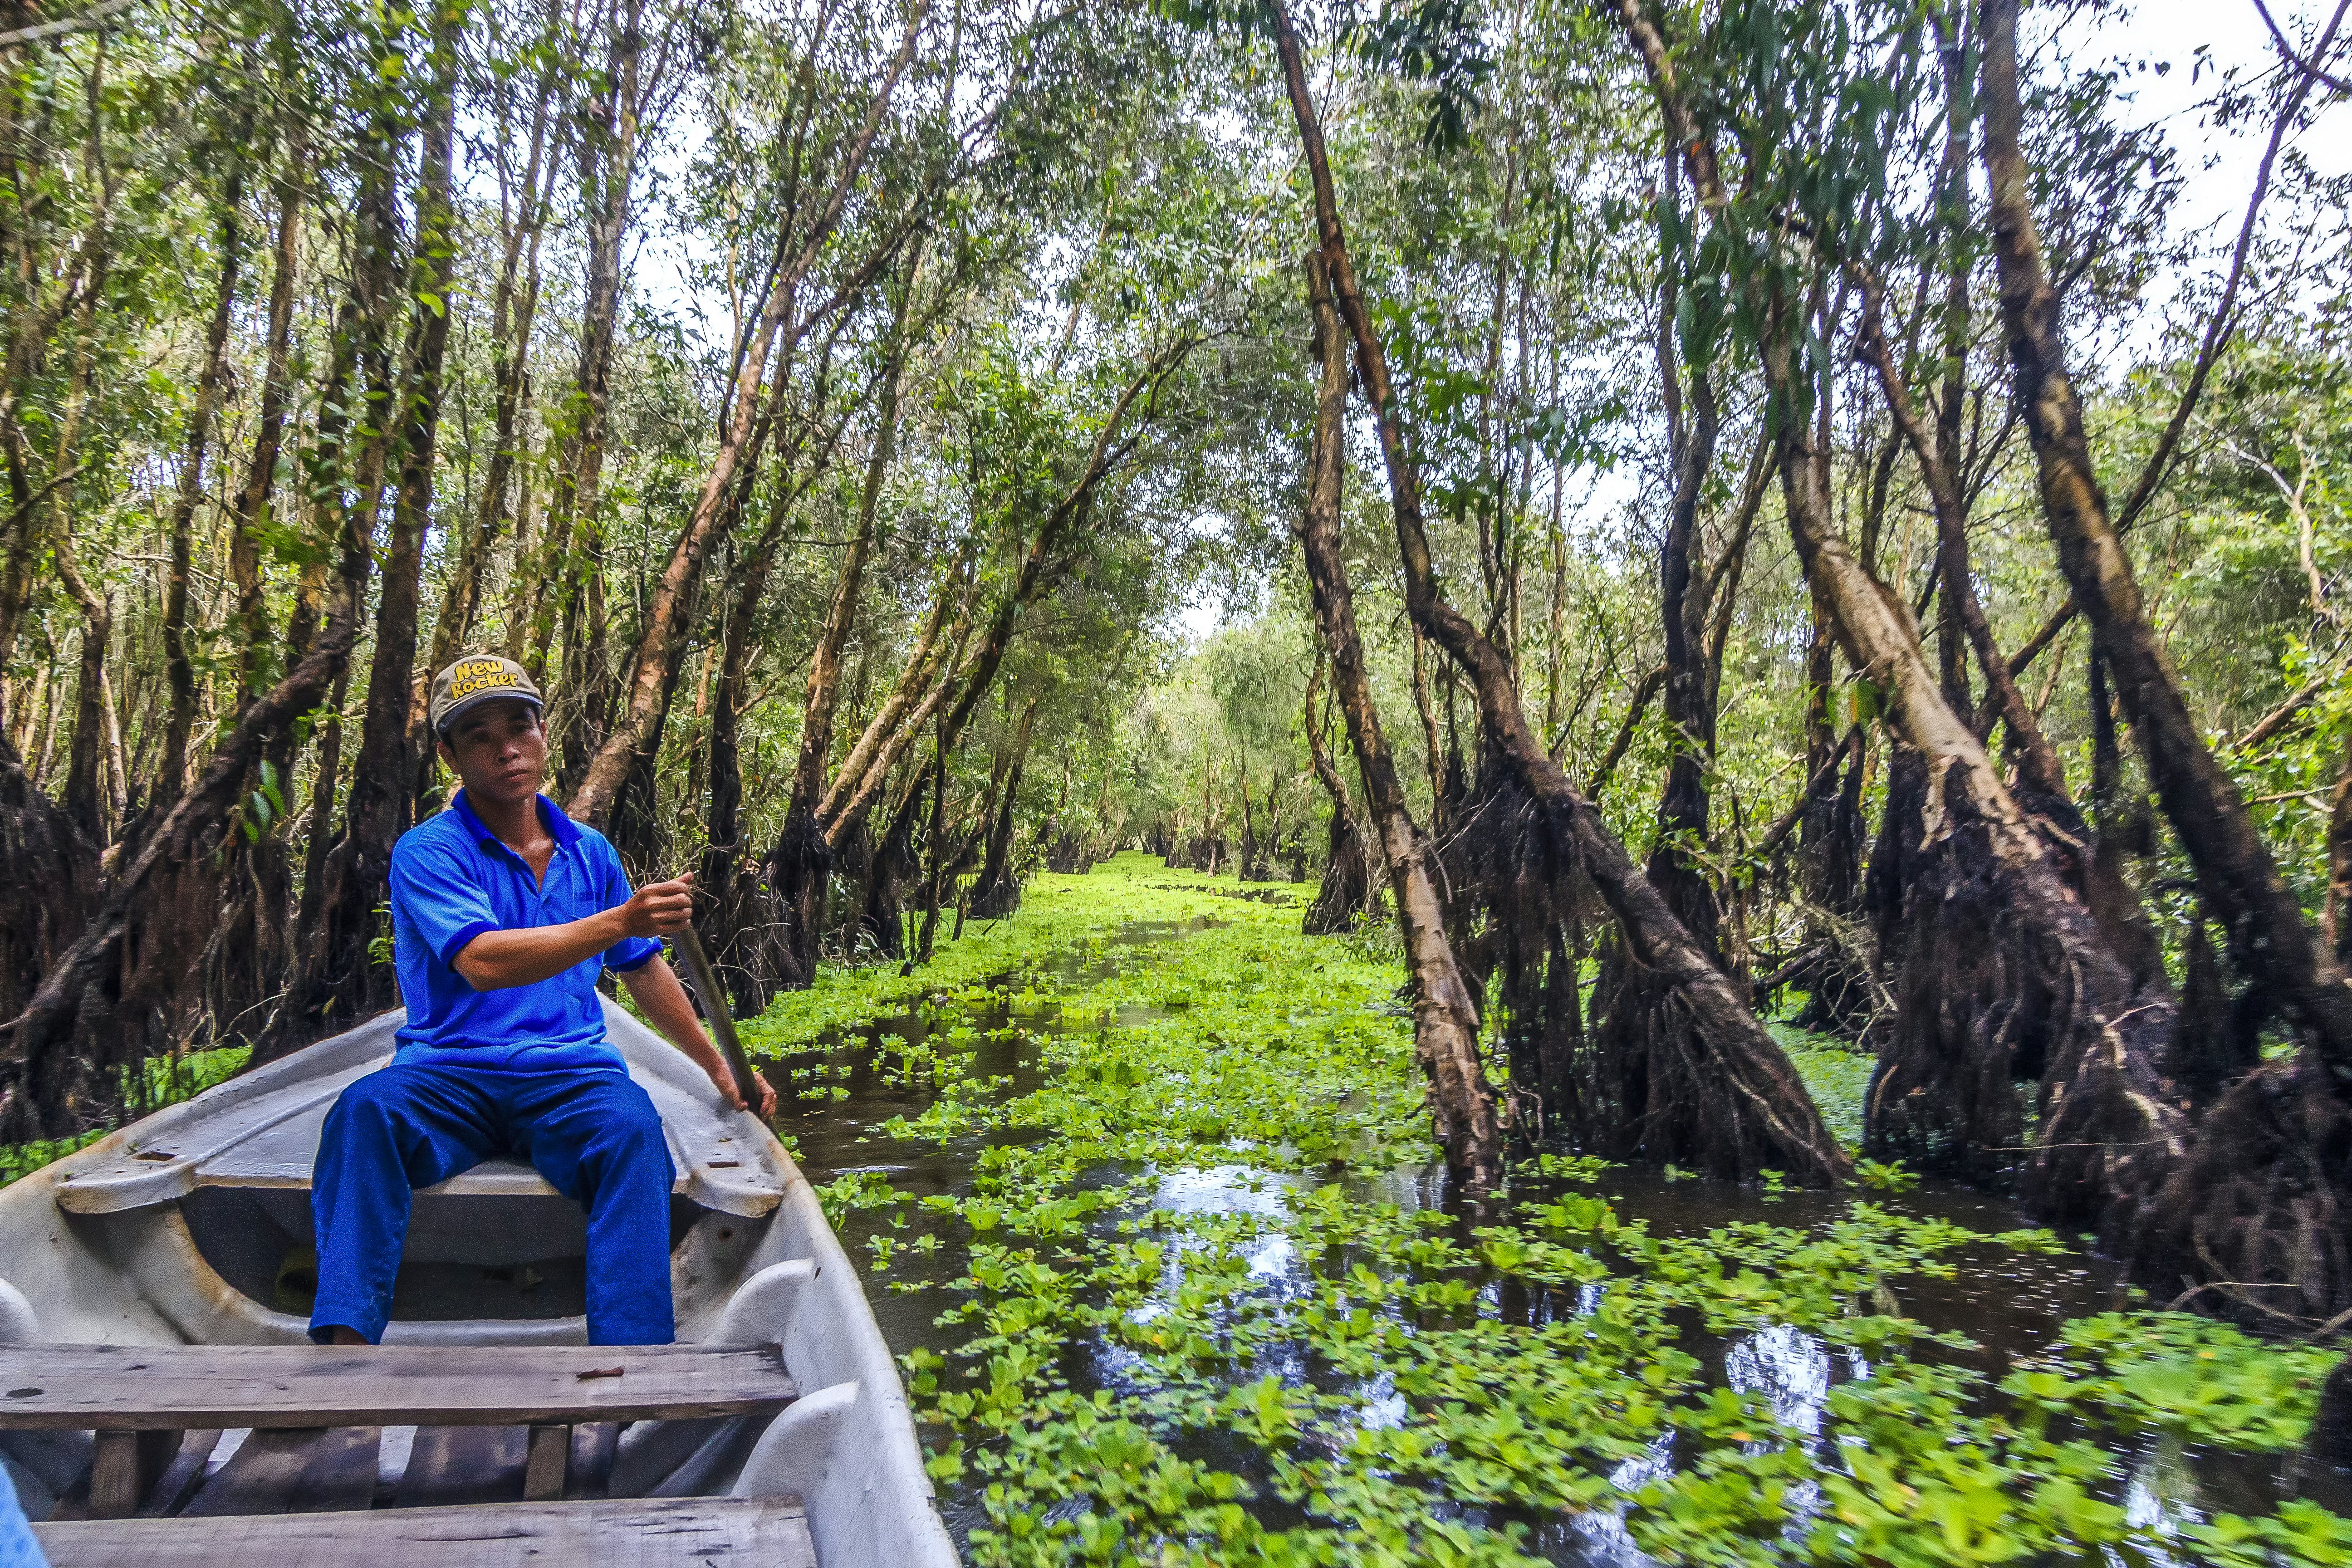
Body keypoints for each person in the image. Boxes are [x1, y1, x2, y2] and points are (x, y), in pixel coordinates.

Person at [308, 654, 777, 1348]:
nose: (506, 749)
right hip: (448, 1076)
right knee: (362, 1115)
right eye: (478, 736)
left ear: (543, 732)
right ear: (448, 754)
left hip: (570, 1077)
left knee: (634, 1134)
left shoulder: (590, 852)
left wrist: (717, 1067)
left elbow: (642, 967)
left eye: (519, 726)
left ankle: (630, 1361)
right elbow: (482, 961)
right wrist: (619, 919)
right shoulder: (428, 852)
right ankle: (345, 1353)